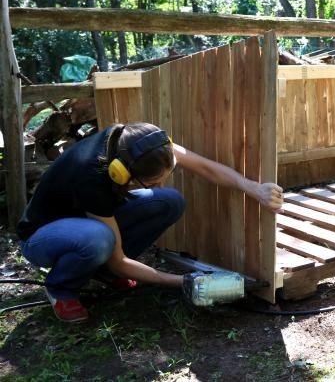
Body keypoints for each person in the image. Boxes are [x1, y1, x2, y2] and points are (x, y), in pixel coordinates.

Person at [16, 122, 283, 322]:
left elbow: (205, 167)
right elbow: (118, 258)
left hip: (88, 221)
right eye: (153, 182)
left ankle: (103, 274)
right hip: (43, 237)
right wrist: (185, 281)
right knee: (99, 239)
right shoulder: (92, 178)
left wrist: (254, 188)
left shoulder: (141, 144)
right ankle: (61, 288)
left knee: (169, 200)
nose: (160, 184)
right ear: (121, 174)